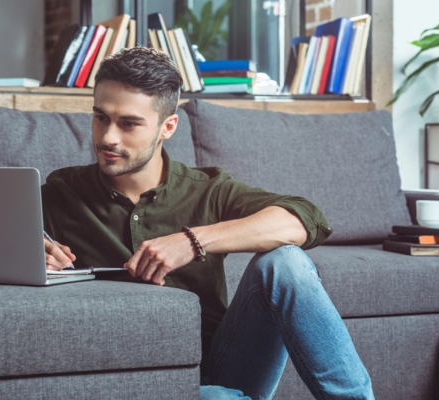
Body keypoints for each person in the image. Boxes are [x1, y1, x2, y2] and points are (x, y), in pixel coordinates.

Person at [41, 46, 374, 400]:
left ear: (168, 126)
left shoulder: (209, 190)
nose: (108, 137)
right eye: (100, 117)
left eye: (129, 123)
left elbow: (305, 219)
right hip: (122, 376)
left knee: (285, 262)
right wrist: (33, 262)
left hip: (222, 365)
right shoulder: (62, 192)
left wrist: (193, 240)